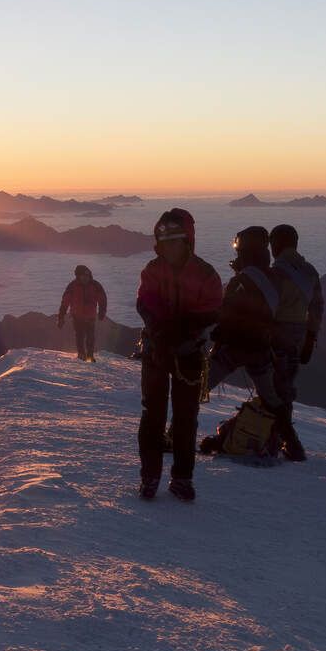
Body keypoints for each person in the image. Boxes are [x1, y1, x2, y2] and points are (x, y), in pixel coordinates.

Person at [134, 207, 222, 500]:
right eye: (165, 241)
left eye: (175, 240)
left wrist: (180, 330)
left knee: (185, 418)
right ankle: (151, 477)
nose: (170, 247)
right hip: (161, 350)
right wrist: (164, 331)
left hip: (185, 352)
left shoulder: (204, 273)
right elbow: (145, 304)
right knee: (154, 416)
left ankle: (181, 477)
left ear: (187, 241)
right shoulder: (155, 270)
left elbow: (211, 312)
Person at [203, 225, 288, 433]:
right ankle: (289, 442)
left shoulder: (241, 280)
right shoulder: (274, 279)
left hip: (232, 350)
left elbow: (227, 314)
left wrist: (217, 334)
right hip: (261, 349)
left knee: (197, 388)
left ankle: (175, 435)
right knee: (271, 399)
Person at [266, 223, 324, 461]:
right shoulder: (309, 271)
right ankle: (281, 440)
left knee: (273, 390)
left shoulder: (274, 273)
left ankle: (283, 442)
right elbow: (317, 307)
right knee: (285, 388)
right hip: (299, 337)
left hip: (275, 336)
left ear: (275, 245)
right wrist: (310, 338)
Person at [56, 264, 107, 361]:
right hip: (77, 316)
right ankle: (81, 354)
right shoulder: (72, 286)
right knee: (79, 336)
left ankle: (90, 356)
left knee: (90, 337)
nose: (85, 277)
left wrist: (102, 312)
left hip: (90, 316)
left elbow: (102, 299)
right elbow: (65, 302)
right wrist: (61, 317)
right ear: (78, 276)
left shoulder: (95, 285)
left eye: (87, 275)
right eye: (83, 275)